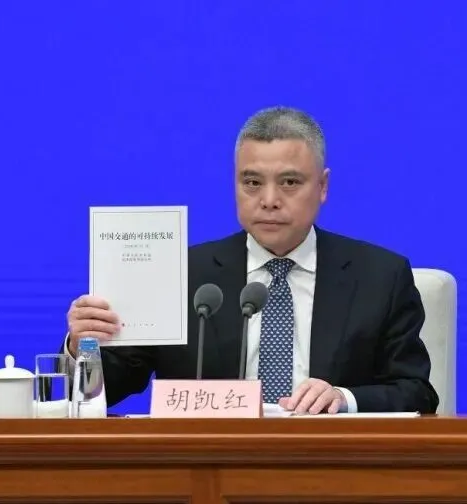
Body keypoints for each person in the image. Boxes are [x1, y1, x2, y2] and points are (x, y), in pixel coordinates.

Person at [63, 106, 438, 415]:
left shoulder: (380, 276)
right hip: (208, 465)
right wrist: (84, 348)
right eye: (252, 183)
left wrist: (344, 399)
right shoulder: (179, 275)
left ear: (323, 186)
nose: (269, 200)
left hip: (329, 463)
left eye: (289, 182)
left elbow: (417, 393)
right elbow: (111, 388)